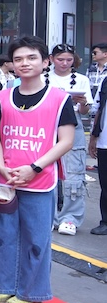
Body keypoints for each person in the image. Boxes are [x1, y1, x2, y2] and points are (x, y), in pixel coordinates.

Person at [0, 36, 77, 303]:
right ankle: (5, 285)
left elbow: (66, 141)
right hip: (6, 179)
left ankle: (31, 292)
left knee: (36, 238)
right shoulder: (1, 98)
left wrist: (34, 167)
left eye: (31, 58)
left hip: (40, 180)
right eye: (18, 59)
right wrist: (1, 164)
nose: (24, 63)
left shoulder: (59, 99)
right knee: (3, 235)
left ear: (45, 62)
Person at [46, 44, 91, 236]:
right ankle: (49, 216)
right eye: (60, 59)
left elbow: (85, 111)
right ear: (51, 59)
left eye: (69, 60)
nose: (64, 63)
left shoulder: (81, 80)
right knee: (46, 171)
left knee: (74, 173)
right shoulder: (43, 77)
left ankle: (70, 218)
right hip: (47, 125)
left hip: (73, 124)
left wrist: (83, 103)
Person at [90, 75, 107, 235]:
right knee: (105, 185)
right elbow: (98, 109)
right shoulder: (105, 81)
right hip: (104, 142)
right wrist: (93, 137)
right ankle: (105, 221)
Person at [88, 43, 107, 113]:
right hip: (91, 103)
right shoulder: (91, 68)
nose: (93, 54)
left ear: (105, 54)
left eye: (95, 53)